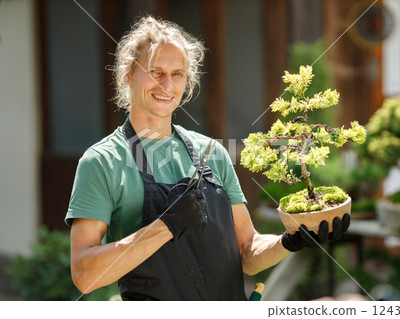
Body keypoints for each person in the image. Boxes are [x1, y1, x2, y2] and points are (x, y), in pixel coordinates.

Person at [65, 15, 350, 301]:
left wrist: (290, 240)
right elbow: (85, 275)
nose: (167, 84)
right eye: (155, 71)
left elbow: (247, 251)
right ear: (128, 74)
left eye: (177, 74)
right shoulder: (103, 161)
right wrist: (166, 226)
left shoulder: (212, 153)